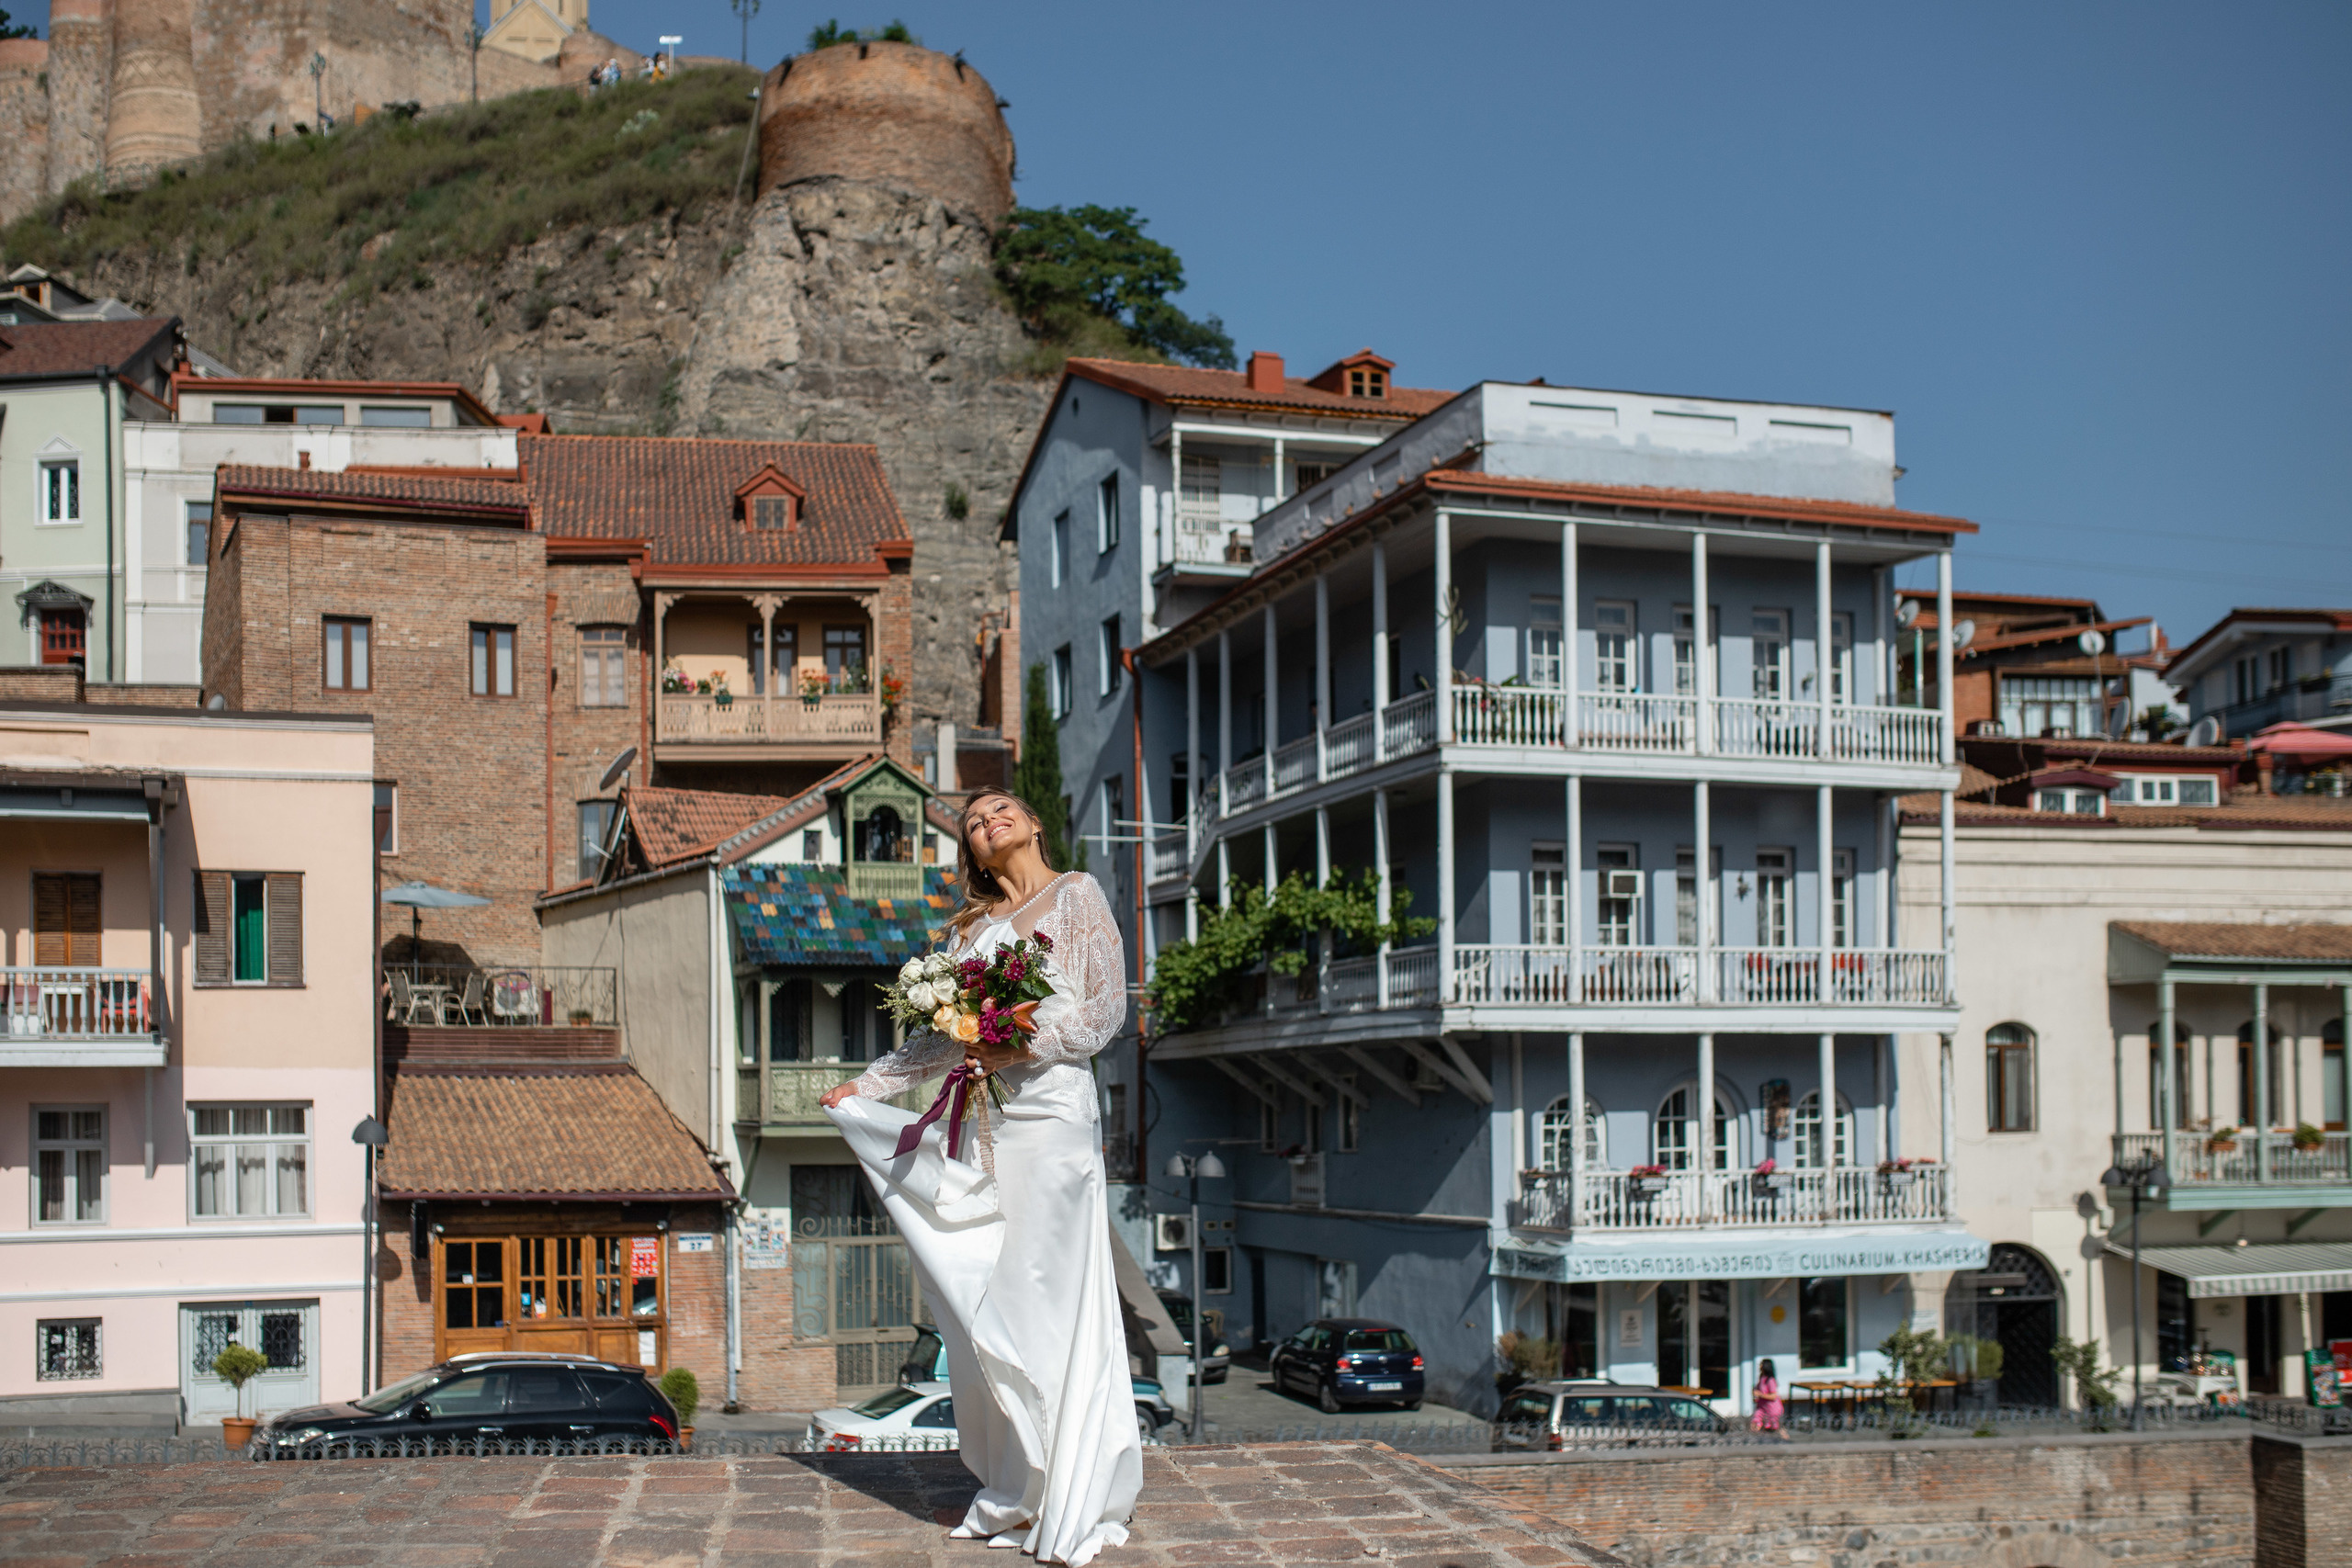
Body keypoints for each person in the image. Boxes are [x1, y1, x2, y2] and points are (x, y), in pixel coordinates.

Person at [820, 787, 1140, 1564]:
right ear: (970, 849)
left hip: (1053, 1123)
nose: (987, 819)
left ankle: (1073, 1486)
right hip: (980, 1123)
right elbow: (940, 1041)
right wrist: (865, 1086)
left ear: (1032, 823)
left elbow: (1103, 1015)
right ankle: (1018, 1485)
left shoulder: (1078, 896)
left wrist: (1020, 1043)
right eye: (972, 820)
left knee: (1049, 1291)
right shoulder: (971, 930)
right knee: (992, 1292)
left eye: (1001, 809)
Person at [1752, 1357, 1789, 1438]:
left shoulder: (1770, 1380)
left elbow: (1773, 1396)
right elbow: (1759, 1388)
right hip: (1762, 1407)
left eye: (1761, 1364)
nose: (1760, 1366)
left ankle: (1785, 1440)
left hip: (1771, 1408)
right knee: (1756, 1421)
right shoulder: (1762, 1378)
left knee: (1775, 1427)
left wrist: (1760, 1394)